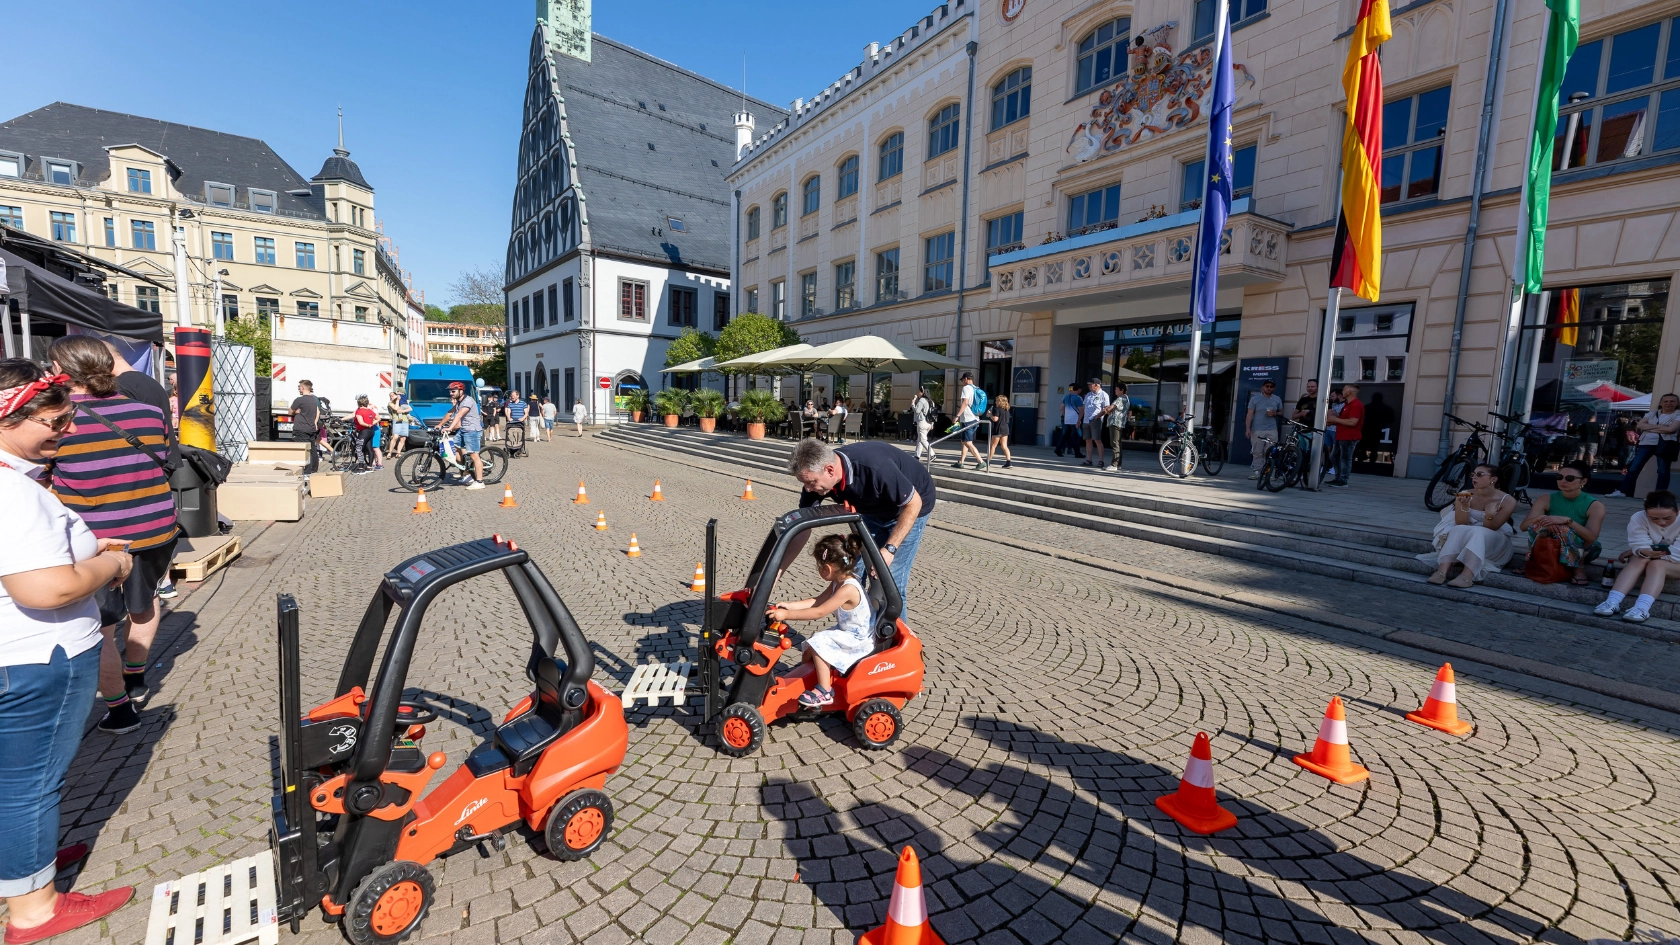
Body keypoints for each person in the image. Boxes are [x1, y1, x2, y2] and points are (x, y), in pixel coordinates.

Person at [0, 359, 140, 940]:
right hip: (40, 657)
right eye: (56, 420)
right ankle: (35, 909)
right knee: (30, 784)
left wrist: (82, 552)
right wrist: (110, 562)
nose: (69, 430)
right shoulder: (13, 493)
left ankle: (25, 868)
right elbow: (45, 587)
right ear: (9, 417)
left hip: (21, 654)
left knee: (15, 780)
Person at [48, 336, 180, 735]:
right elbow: (167, 461)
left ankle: (120, 710)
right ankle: (136, 677)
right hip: (156, 529)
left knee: (99, 625)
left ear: (62, 372)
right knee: (145, 603)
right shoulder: (147, 412)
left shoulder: (59, 422)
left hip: (98, 542)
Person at [785, 438, 935, 609]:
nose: (808, 489)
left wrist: (890, 549)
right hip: (872, 508)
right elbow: (803, 528)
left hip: (910, 506)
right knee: (850, 572)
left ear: (830, 470)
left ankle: (890, 633)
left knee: (889, 583)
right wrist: (774, 576)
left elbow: (913, 503)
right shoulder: (816, 481)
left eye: (811, 482)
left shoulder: (876, 469)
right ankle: (858, 626)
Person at [105, 342, 180, 600]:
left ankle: (146, 583)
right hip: (161, 460)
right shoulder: (151, 383)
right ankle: (163, 581)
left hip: (140, 467)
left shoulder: (122, 387)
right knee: (158, 524)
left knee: (139, 527)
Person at [769, 534, 873, 709]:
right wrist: (789, 606)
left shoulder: (848, 588)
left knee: (819, 642)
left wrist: (785, 616)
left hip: (859, 639)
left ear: (828, 568)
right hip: (849, 632)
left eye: (819, 565)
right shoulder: (838, 582)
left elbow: (819, 611)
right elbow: (817, 601)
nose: (818, 569)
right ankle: (809, 677)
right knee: (810, 646)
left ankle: (825, 691)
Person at [1421, 464, 1516, 587]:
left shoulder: (1508, 501)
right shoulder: (1465, 494)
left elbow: (1492, 527)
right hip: (1469, 536)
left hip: (1494, 540)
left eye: (1480, 474)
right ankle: (1441, 571)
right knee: (1457, 529)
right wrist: (1464, 507)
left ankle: (1467, 576)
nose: (1474, 478)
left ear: (1493, 479)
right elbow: (1462, 523)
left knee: (1477, 531)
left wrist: (1489, 514)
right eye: (1473, 474)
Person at [1596, 489, 1680, 621]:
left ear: (1677, 511)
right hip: (1657, 557)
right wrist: (1640, 551)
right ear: (1646, 513)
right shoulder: (1639, 517)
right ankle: (1612, 602)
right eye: (1654, 518)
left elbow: (1676, 555)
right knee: (1640, 558)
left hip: (1677, 563)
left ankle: (1642, 608)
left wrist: (1640, 551)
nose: (1661, 522)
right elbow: (1639, 543)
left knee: (1656, 564)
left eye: (1668, 518)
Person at [1521, 459, 1605, 586]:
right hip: (1552, 545)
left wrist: (1567, 521)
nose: (1563, 481)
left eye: (1570, 478)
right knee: (1538, 525)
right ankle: (1532, 562)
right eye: (1559, 477)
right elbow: (1524, 526)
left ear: (1583, 481)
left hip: (1585, 549)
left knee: (1563, 529)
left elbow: (1591, 538)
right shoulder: (1546, 499)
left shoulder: (1595, 505)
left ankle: (1578, 569)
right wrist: (1545, 519)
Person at [1610, 393, 1680, 497]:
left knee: (1663, 470)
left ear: (1677, 403)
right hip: (1646, 442)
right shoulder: (1652, 414)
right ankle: (1622, 491)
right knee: (1634, 467)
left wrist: (1650, 427)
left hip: (1666, 444)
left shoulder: (1678, 414)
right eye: (1666, 401)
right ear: (1661, 403)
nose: (1668, 403)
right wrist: (1662, 427)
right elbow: (1640, 425)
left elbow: (1671, 429)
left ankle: (1658, 496)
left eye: (1672, 401)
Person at [437, 382, 485, 489]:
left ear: (461, 391)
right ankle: (467, 474)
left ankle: (480, 481)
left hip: (472, 430)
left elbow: (458, 415)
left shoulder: (468, 401)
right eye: (450, 391)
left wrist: (449, 428)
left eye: (453, 391)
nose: (451, 393)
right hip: (463, 430)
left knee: (474, 455)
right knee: (455, 448)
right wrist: (440, 424)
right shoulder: (459, 401)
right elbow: (450, 413)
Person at [1325, 383, 1363, 487]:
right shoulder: (1347, 404)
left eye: (1344, 390)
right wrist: (1334, 421)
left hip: (1349, 436)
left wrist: (1335, 419)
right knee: (1334, 456)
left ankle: (1343, 480)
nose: (1342, 391)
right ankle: (1338, 478)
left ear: (1349, 392)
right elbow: (1345, 420)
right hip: (1340, 435)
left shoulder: (1355, 405)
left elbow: (1353, 422)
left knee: (1345, 458)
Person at [1246, 379, 1284, 480]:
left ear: (1274, 388)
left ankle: (1269, 472)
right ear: (1263, 387)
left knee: (1271, 452)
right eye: (1267, 386)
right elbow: (1249, 415)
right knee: (1257, 451)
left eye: (1271, 386)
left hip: (1272, 429)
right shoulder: (1255, 399)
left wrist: (1275, 413)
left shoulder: (1277, 399)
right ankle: (1257, 471)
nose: (1269, 388)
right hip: (1258, 429)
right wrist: (1248, 429)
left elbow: (1281, 413)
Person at [952, 373, 986, 469]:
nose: (962, 382)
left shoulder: (966, 388)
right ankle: (961, 462)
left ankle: (981, 461)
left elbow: (965, 402)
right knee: (964, 441)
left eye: (962, 380)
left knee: (967, 442)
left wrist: (957, 416)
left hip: (968, 419)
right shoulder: (976, 388)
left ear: (966, 379)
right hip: (975, 418)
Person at [290, 380, 321, 475]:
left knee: (303, 451)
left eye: (299, 387)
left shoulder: (299, 400)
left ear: (303, 388)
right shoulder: (314, 400)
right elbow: (317, 412)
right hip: (311, 428)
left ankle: (306, 472)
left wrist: (296, 412)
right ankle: (314, 469)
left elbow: (290, 412)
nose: (299, 388)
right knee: (312, 449)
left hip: (301, 429)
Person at [1082, 378, 1111, 468]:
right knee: (1088, 440)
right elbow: (1084, 406)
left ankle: (1101, 460)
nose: (1089, 386)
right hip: (1086, 420)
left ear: (1097, 385)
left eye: (1091, 384)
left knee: (1097, 440)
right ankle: (1089, 459)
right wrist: (1079, 419)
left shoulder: (1103, 395)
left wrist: (1098, 416)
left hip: (1096, 420)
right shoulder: (1088, 395)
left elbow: (1106, 408)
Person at [1104, 383, 1130, 470]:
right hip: (1120, 423)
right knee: (1118, 443)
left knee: (1115, 443)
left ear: (1121, 390)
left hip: (1115, 423)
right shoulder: (1126, 399)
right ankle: (1118, 464)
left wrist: (1106, 409)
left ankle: (1114, 464)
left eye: (1116, 389)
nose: (1115, 390)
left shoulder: (1120, 399)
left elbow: (1109, 409)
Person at [1056, 383, 1085, 458]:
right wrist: (1079, 421)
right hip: (1075, 420)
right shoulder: (1078, 398)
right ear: (1079, 390)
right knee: (1076, 436)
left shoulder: (1066, 397)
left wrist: (1066, 415)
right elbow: (1081, 410)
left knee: (1065, 435)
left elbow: (1061, 408)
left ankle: (1058, 449)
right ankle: (1077, 453)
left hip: (1067, 419)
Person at [985, 395, 1013, 470]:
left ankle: (988, 460)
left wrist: (990, 414)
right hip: (1005, 429)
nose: (995, 402)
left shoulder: (997, 409)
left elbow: (995, 419)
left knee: (993, 446)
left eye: (997, 401)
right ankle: (1008, 461)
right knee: (1004, 446)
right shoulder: (1007, 410)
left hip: (998, 429)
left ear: (1000, 402)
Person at [352, 395, 378, 472]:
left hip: (364, 431)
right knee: (370, 449)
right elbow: (378, 418)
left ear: (358, 403)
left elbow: (361, 422)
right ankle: (370, 466)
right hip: (371, 431)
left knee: (359, 448)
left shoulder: (359, 411)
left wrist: (367, 424)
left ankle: (361, 467)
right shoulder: (370, 411)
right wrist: (372, 423)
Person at [388, 390, 412, 456]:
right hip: (397, 420)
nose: (392, 397)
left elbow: (410, 409)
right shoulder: (390, 403)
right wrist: (397, 400)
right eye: (391, 396)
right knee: (395, 437)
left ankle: (398, 452)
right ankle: (390, 452)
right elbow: (395, 409)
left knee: (403, 438)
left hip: (405, 420)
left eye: (393, 395)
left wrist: (402, 411)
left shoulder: (403, 403)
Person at [911, 389, 933, 460]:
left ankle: (932, 454)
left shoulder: (922, 400)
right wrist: (932, 424)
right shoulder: (931, 401)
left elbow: (917, 411)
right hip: (929, 423)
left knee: (923, 440)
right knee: (920, 439)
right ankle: (917, 455)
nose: (917, 393)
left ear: (922, 392)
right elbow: (933, 413)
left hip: (922, 421)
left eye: (918, 392)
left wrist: (913, 403)